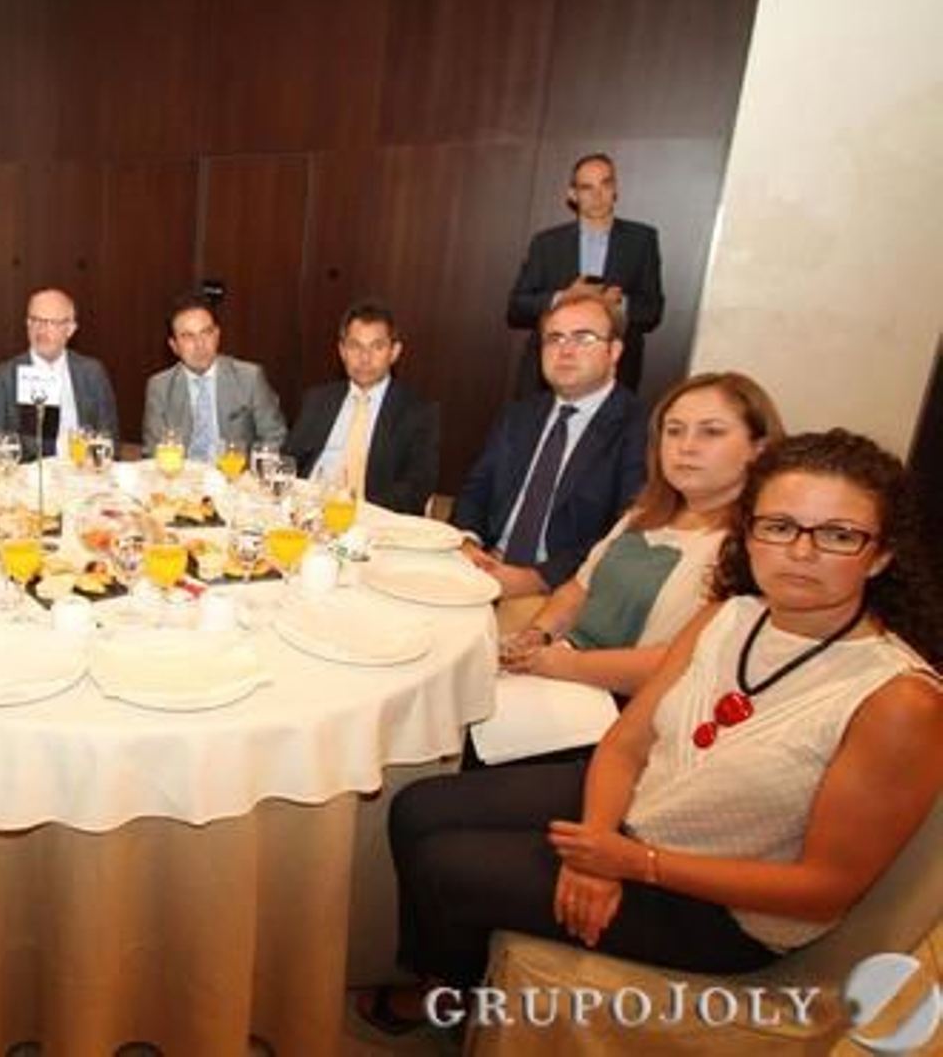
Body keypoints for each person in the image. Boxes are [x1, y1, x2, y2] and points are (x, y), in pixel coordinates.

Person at [365, 430, 943, 1034]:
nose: (800, 551)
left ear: (880, 555)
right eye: (778, 526)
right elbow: (629, 742)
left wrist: (635, 863)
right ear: (748, 533)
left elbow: (822, 890)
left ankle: (448, 1003)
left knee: (446, 862)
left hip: (725, 909)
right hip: (642, 812)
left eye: (838, 535)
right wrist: (597, 845)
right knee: (418, 808)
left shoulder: (897, 699)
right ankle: (452, 981)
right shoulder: (730, 615)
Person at [498, 372, 783, 697]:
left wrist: (557, 664)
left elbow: (681, 663)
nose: (686, 447)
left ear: (758, 449)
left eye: (711, 432)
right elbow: (578, 589)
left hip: (629, 702)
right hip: (566, 671)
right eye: (674, 431)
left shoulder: (752, 549)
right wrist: (539, 634)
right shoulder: (644, 513)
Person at [454, 294, 647, 598]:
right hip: (485, 566)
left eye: (583, 338)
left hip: (564, 589)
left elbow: (624, 531)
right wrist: (468, 542)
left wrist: (538, 578)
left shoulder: (640, 428)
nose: (565, 350)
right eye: (554, 338)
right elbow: (477, 488)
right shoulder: (520, 414)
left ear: (615, 351)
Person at [507, 153, 664, 392]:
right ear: (573, 195)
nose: (598, 195)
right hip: (551, 368)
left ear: (615, 189)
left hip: (614, 369)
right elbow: (517, 307)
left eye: (605, 184)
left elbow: (652, 309)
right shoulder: (547, 242)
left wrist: (617, 304)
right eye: (587, 187)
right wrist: (564, 298)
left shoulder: (642, 240)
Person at [283, 299, 440, 515]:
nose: (365, 358)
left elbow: (417, 487)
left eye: (377, 347)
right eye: (355, 346)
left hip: (372, 519)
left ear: (394, 352)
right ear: (342, 351)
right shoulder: (318, 399)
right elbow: (288, 460)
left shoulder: (418, 412)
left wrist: (358, 510)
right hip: (308, 511)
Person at [141, 289, 286, 458]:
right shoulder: (160, 386)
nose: (200, 344)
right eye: (188, 337)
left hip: (235, 476)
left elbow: (275, 437)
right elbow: (154, 450)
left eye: (206, 333)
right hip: (182, 478)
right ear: (174, 346)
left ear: (217, 335)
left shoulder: (249, 377)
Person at [0, 288, 119, 458]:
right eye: (36, 320)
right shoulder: (1, 379)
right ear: (27, 324)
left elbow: (110, 440)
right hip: (26, 478)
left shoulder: (92, 373)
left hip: (82, 475)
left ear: (70, 329)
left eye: (52, 323)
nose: (42, 330)